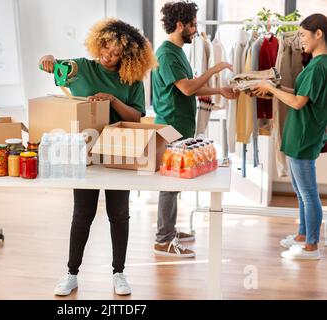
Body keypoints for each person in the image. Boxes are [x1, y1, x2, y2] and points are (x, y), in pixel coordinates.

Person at [39, 18, 156, 296]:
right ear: (99, 42)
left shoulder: (131, 80)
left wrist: (113, 101)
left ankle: (119, 273)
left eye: (116, 53)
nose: (108, 55)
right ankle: (71, 273)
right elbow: (55, 66)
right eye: (106, 47)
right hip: (85, 152)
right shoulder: (83, 67)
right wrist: (47, 59)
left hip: (118, 152)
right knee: (82, 214)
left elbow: (137, 116)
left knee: (119, 214)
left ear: (127, 56)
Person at [152, 1, 237, 258]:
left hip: (180, 125)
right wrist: (215, 69)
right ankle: (163, 239)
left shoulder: (177, 52)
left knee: (176, 182)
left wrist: (218, 90)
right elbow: (187, 89)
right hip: (171, 126)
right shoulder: (167, 54)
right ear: (180, 25)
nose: (195, 30)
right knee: (169, 183)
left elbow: (190, 86)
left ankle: (169, 230)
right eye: (193, 25)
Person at [252, 14, 327, 260]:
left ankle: (312, 246)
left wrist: (272, 88)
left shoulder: (319, 66)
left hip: (305, 136)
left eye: (304, 35)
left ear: (319, 34)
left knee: (308, 193)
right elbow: (298, 93)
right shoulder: (316, 64)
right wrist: (271, 87)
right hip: (300, 134)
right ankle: (302, 236)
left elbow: (297, 102)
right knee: (300, 189)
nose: (300, 41)